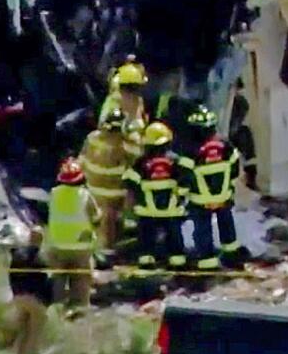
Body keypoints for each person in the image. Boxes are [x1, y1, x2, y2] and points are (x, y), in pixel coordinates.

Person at [125, 122, 194, 269]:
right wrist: (180, 197)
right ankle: (178, 263)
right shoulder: (175, 160)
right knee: (174, 237)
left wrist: (140, 196)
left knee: (147, 237)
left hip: (148, 211)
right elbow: (187, 177)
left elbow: (129, 179)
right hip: (171, 209)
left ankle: (146, 262)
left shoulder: (142, 162)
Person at [185, 106, 244, 271]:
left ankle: (206, 261)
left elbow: (185, 175)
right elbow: (235, 168)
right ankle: (231, 255)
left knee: (203, 229)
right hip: (223, 197)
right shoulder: (225, 146)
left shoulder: (191, 150)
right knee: (227, 226)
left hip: (200, 201)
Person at [79, 107, 140, 252]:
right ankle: (106, 250)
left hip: (92, 189)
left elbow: (81, 159)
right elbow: (139, 156)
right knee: (109, 222)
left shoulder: (92, 138)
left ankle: (100, 248)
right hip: (113, 192)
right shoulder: (126, 145)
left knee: (98, 220)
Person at [45, 158, 101, 310]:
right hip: (81, 247)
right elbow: (96, 218)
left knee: (59, 280)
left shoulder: (54, 194)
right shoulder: (85, 195)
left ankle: (58, 308)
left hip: (57, 246)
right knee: (82, 279)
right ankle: (80, 308)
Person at [8, 228, 51, 354]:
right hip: (35, 300)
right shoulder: (40, 257)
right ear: (40, 240)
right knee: (34, 337)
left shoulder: (18, 254)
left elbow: (11, 275)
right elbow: (45, 281)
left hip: (19, 298)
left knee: (23, 334)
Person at [99, 57, 147, 132]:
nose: (132, 92)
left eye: (135, 87)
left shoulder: (139, 101)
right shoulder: (114, 103)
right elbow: (104, 128)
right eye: (127, 87)